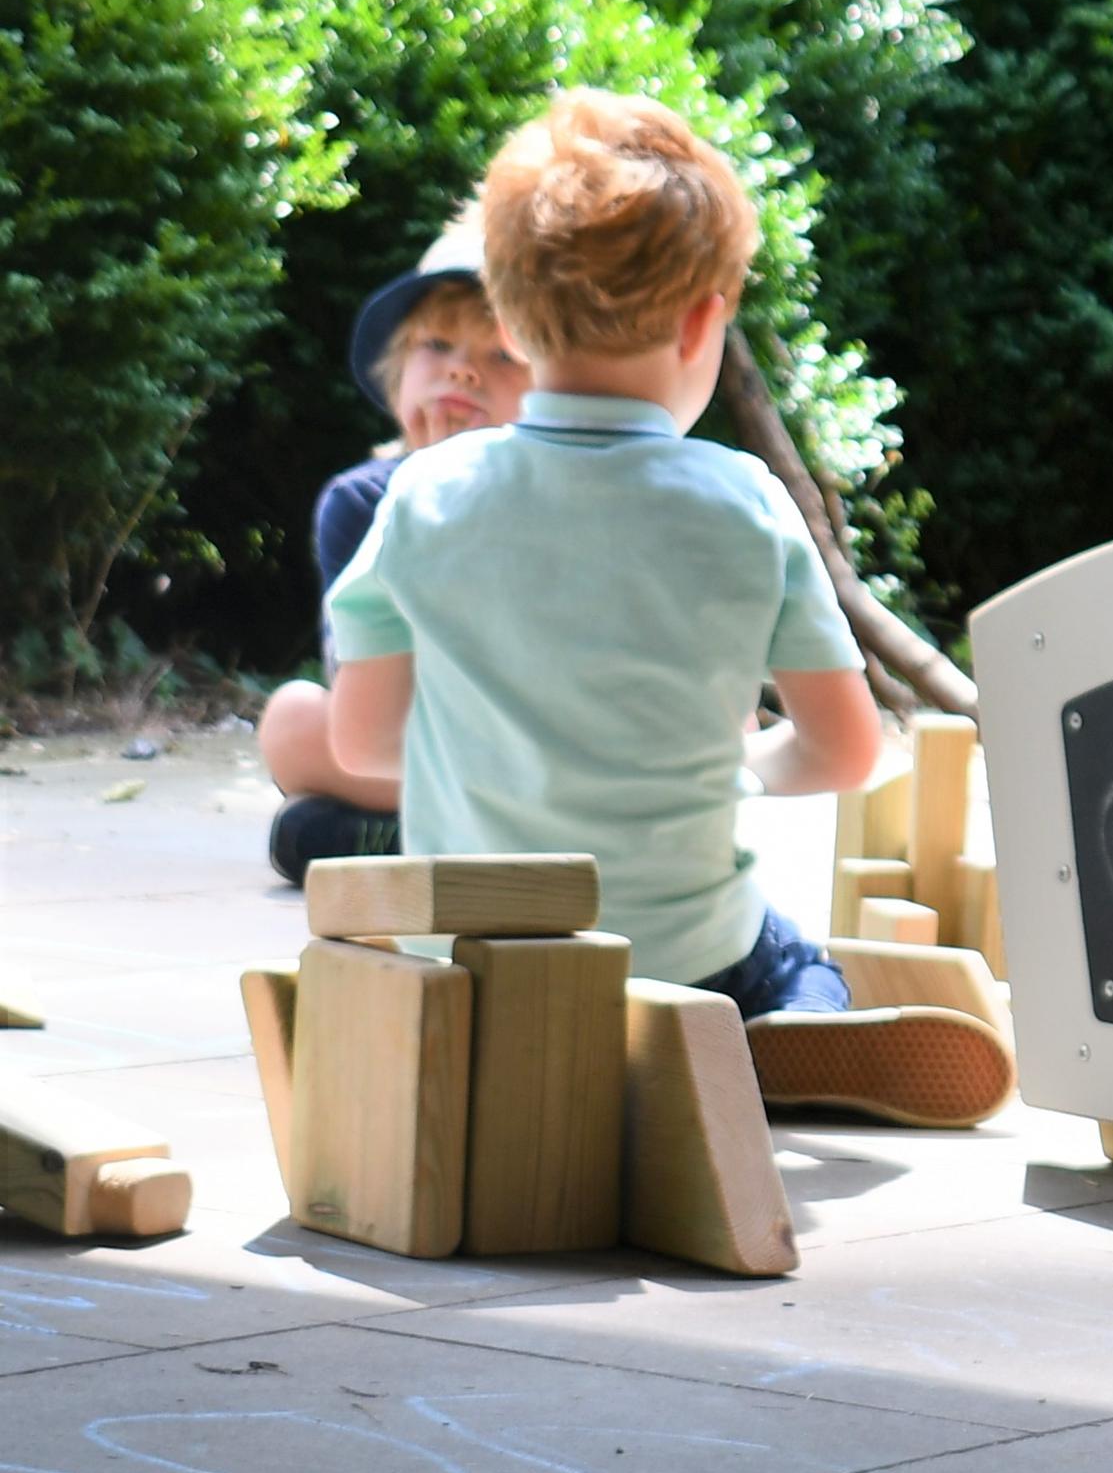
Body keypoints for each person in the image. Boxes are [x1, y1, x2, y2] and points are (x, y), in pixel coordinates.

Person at [323, 89, 1013, 1126]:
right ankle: (775, 1032)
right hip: (692, 956)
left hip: (466, 957)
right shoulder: (745, 502)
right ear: (704, 321)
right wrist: (736, 764)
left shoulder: (424, 494)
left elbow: (363, 741)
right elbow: (845, 754)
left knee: (434, 936)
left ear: (507, 315)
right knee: (789, 955)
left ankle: (536, 1052)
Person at [259, 210, 530, 884]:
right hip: (419, 744)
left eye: (499, 355)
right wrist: (430, 502)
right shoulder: (359, 501)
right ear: (396, 371)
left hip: (534, 743)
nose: (461, 373)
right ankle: (480, 837)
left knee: (314, 833)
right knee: (292, 723)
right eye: (436, 347)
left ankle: (433, 838)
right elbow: (365, 699)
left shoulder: (556, 496)